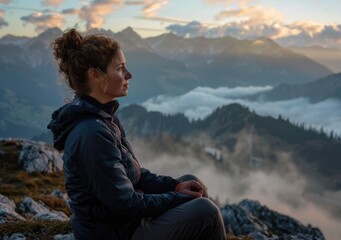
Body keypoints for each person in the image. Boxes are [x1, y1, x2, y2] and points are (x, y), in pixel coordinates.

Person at [47, 28, 226, 240]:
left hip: (125, 224)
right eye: (120, 68)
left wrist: (176, 187)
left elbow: (136, 175)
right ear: (95, 75)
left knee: (190, 181)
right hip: (114, 233)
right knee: (207, 212)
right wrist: (176, 197)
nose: (129, 75)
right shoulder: (92, 133)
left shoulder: (105, 118)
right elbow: (125, 203)